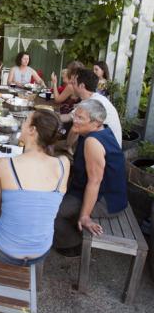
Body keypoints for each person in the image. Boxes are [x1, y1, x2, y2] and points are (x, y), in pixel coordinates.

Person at [0, 110, 69, 266]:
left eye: (25, 121)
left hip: (4, 252)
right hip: (41, 252)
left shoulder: (4, 164)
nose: (21, 125)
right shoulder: (63, 164)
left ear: (32, 130)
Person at [53, 99, 128, 256]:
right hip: (101, 192)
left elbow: (95, 182)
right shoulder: (97, 131)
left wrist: (85, 216)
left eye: (81, 118)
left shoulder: (93, 142)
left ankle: (72, 245)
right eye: (76, 115)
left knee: (51, 211)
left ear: (96, 122)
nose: (75, 120)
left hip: (106, 200)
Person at [67, 68, 122, 146]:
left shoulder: (93, 103)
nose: (71, 84)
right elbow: (69, 116)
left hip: (105, 150)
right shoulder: (91, 99)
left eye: (74, 83)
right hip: (106, 145)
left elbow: (75, 130)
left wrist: (67, 147)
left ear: (82, 86)